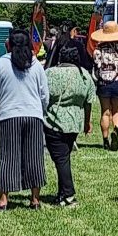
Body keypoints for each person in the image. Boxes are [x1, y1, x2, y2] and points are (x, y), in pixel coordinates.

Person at [0, 30, 50, 211]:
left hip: (8, 116)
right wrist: (41, 111)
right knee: (35, 157)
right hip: (34, 116)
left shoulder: (0, 64)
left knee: (7, 157)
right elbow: (45, 94)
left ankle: (3, 200)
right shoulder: (36, 65)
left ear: (8, 45)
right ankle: (35, 199)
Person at [44, 46, 96, 207]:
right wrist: (87, 122)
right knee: (64, 157)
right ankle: (62, 193)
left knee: (60, 159)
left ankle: (68, 194)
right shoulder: (85, 75)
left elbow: (43, 96)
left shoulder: (50, 73)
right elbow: (89, 102)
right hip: (75, 122)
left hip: (54, 120)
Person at [89, 21, 118, 151]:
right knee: (117, 110)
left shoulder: (97, 50)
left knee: (105, 112)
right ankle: (116, 130)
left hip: (103, 83)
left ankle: (105, 140)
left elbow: (96, 66)